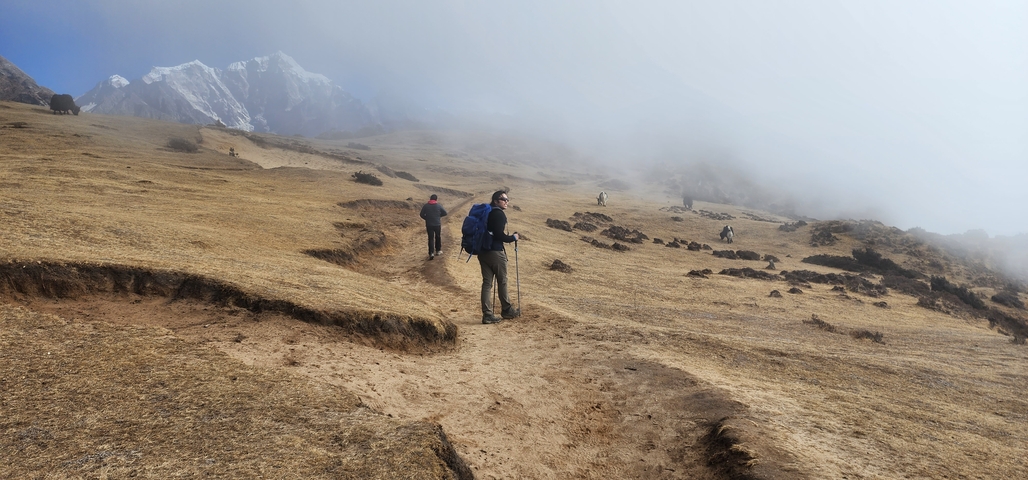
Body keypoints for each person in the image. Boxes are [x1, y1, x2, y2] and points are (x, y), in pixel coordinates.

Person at [479, 190, 520, 324]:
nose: (506, 202)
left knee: (487, 283)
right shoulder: (498, 214)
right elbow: (498, 235)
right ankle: (507, 310)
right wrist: (513, 237)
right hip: (495, 252)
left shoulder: (486, 212)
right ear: (496, 200)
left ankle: (487, 315)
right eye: (504, 199)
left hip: (482, 251)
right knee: (502, 281)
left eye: (507, 199)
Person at [419, 194, 447, 260]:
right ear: (436, 199)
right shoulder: (438, 205)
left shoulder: (426, 206)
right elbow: (445, 213)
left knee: (430, 238)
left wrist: (427, 218)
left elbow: (421, 214)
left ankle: (431, 253)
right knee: (438, 236)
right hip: (437, 224)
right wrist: (438, 216)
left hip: (429, 224)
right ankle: (438, 251)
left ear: (430, 199)